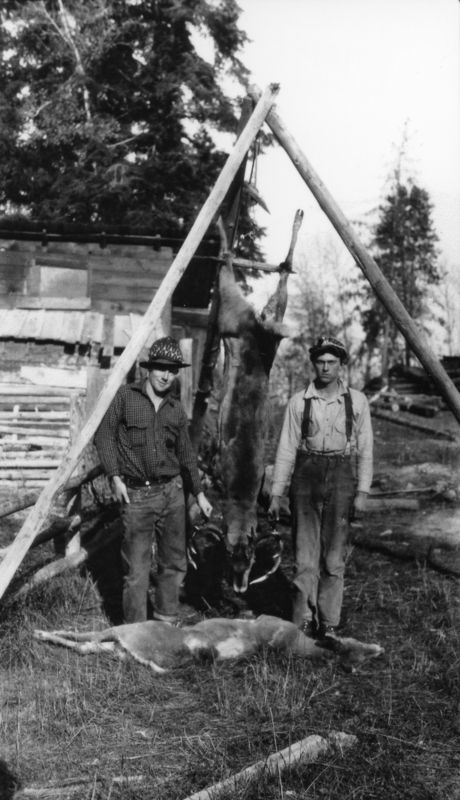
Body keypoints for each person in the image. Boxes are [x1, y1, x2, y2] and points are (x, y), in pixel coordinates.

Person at [95, 336, 212, 625]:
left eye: (173, 370)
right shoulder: (125, 397)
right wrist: (115, 477)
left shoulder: (175, 408)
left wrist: (199, 494)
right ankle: (136, 634)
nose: (166, 375)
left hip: (172, 493)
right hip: (137, 496)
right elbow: (104, 435)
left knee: (173, 563)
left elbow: (186, 454)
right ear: (148, 368)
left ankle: (165, 625)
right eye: (161, 368)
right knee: (136, 571)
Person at [268, 335, 373, 641]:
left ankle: (328, 623)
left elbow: (365, 449)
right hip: (305, 478)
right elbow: (286, 449)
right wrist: (276, 493)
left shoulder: (357, 401)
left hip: (341, 478)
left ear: (342, 365)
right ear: (313, 364)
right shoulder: (298, 402)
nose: (326, 367)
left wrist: (362, 492)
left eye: (332, 362)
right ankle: (302, 620)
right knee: (304, 558)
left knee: (333, 559)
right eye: (320, 362)